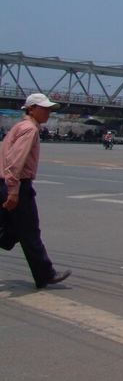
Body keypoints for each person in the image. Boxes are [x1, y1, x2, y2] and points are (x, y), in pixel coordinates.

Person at [0, 93, 71, 289]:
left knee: (10, 231)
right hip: (17, 186)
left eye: (49, 109)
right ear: (31, 109)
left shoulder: (18, 126)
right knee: (29, 231)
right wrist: (13, 191)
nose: (48, 112)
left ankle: (44, 274)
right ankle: (45, 274)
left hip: (5, 184)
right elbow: (15, 162)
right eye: (44, 108)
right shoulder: (29, 129)